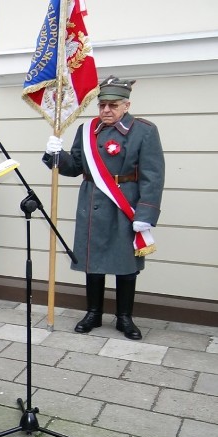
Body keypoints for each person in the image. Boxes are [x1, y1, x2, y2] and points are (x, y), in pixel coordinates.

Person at [43, 75, 164, 341]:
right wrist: (55, 154)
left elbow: (153, 176)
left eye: (113, 105)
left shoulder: (144, 131)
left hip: (125, 204)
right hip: (93, 202)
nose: (106, 110)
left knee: (126, 264)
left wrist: (146, 214)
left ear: (126, 105)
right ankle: (93, 313)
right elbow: (74, 167)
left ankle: (124, 317)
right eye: (102, 105)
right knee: (93, 261)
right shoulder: (87, 131)